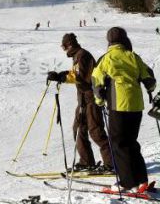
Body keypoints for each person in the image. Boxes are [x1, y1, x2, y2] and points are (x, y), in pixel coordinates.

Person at [92, 27, 156, 193]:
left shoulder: (107, 58)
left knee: (119, 144)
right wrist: (149, 87)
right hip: (136, 106)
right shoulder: (133, 56)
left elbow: (96, 80)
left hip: (118, 105)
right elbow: (150, 79)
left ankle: (127, 183)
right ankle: (141, 180)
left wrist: (99, 100)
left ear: (109, 41)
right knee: (131, 142)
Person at [47, 33, 113, 172]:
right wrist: (61, 74)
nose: (64, 49)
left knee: (96, 132)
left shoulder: (83, 55)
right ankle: (86, 162)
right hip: (83, 101)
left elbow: (81, 76)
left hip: (91, 100)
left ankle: (112, 163)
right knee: (78, 130)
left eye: (64, 46)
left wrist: (62, 77)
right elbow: (75, 72)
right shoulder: (78, 56)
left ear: (70, 44)